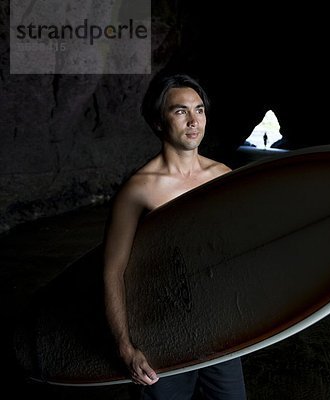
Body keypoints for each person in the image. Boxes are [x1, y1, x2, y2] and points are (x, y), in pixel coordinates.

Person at [103, 72, 247, 400]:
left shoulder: (223, 176)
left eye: (199, 110)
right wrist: (126, 348)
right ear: (158, 121)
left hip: (220, 330)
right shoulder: (139, 189)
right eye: (180, 111)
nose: (193, 120)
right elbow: (113, 271)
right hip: (160, 334)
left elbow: (240, 251)